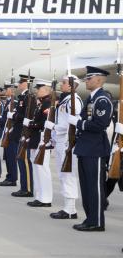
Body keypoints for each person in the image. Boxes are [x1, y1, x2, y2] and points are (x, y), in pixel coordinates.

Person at [70, 66, 113, 232]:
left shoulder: (102, 99)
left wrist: (78, 123)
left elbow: (100, 124)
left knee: (94, 187)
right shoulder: (91, 98)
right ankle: (90, 219)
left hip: (94, 148)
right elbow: (84, 117)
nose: (86, 81)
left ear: (99, 80)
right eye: (86, 78)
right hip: (85, 147)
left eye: (89, 78)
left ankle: (97, 221)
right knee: (86, 186)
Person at [49, 74, 82, 219]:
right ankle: (69, 208)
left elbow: (73, 122)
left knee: (68, 175)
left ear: (70, 86)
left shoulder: (74, 100)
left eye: (63, 83)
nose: (61, 85)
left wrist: (54, 127)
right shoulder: (66, 100)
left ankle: (70, 209)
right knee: (63, 174)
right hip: (61, 141)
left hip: (68, 142)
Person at [26, 78, 53, 207]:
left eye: (39, 88)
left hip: (42, 139)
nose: (37, 91)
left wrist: (31, 124)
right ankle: (39, 196)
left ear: (46, 90)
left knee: (42, 169)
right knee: (37, 168)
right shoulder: (41, 103)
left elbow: (44, 123)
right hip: (35, 139)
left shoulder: (48, 104)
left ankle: (46, 198)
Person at [9, 75, 36, 197]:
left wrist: (14, 116)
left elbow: (27, 115)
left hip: (24, 132)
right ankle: (24, 187)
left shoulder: (29, 97)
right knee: (20, 159)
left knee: (24, 160)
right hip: (19, 131)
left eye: (21, 82)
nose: (19, 84)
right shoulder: (23, 97)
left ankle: (28, 189)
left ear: (26, 84)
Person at [0, 80, 19, 187]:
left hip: (12, 133)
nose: (6, 91)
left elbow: (12, 120)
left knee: (11, 157)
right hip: (7, 133)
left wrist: (0, 120)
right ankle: (9, 176)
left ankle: (12, 178)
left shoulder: (14, 102)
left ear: (12, 90)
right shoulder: (9, 102)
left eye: (7, 89)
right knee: (7, 156)